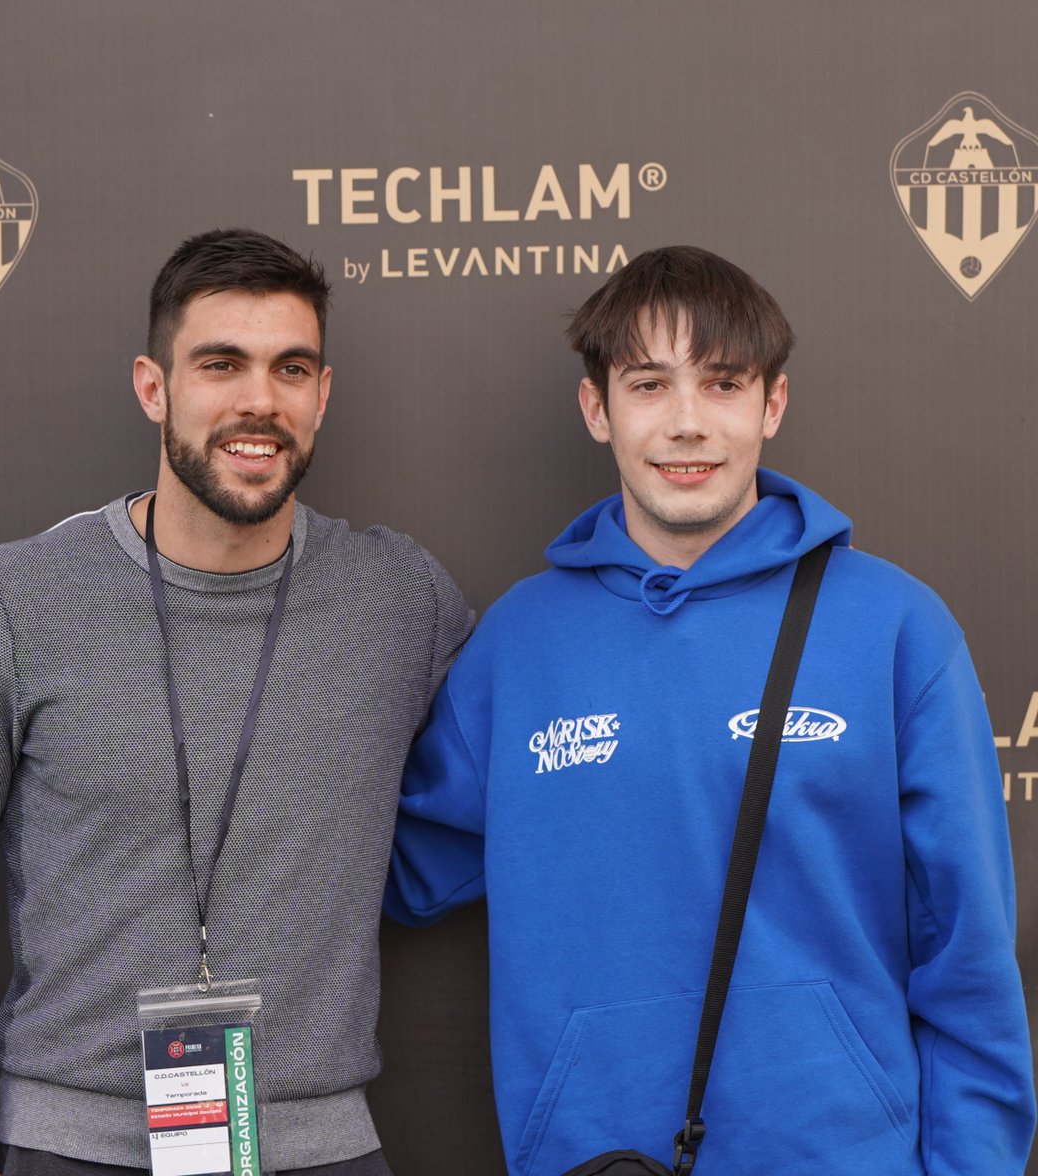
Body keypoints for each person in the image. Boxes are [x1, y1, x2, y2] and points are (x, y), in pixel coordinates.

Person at [386, 246, 1036, 1175]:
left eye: (722, 384)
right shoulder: (517, 646)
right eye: (649, 385)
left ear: (772, 404)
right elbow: (380, 872)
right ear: (596, 410)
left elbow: (968, 958)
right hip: (589, 1156)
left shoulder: (894, 629)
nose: (687, 424)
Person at [0, 228, 473, 1176]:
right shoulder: (18, 601)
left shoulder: (403, 601)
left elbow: (527, 770)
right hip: (73, 1149)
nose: (258, 400)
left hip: (324, 1150)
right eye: (220, 364)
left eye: (291, 368)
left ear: (322, 394)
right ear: (154, 386)